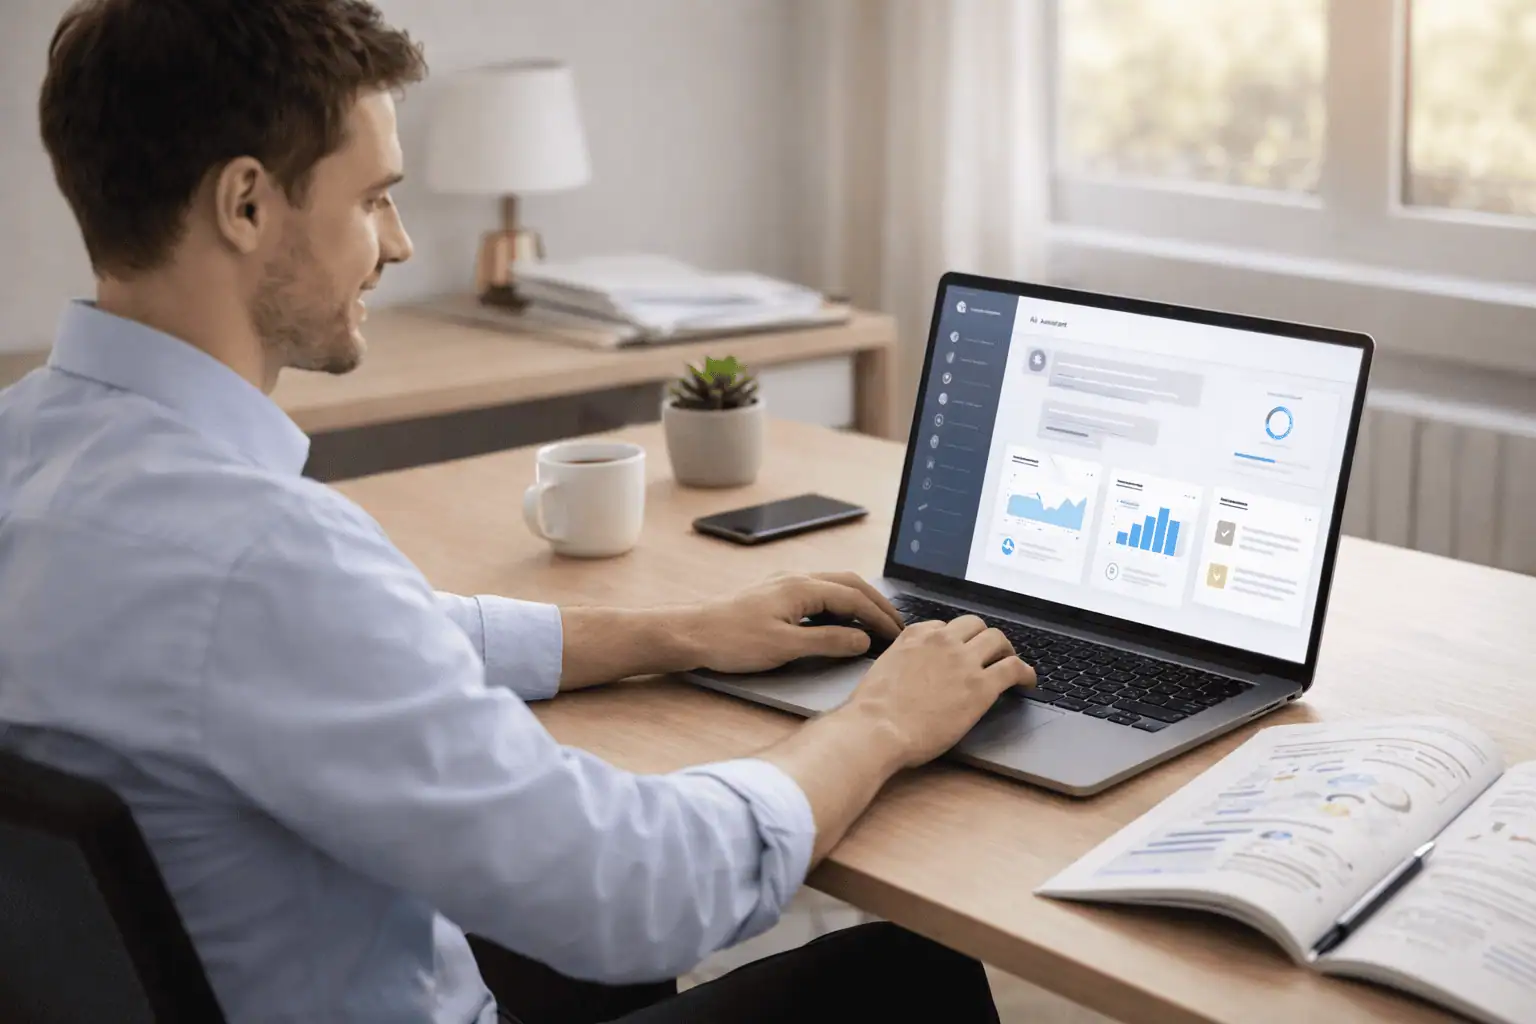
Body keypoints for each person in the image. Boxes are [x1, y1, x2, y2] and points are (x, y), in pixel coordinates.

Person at [0, 2, 1034, 1022]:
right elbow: (642, 893)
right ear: (246, 205)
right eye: (373, 200)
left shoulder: (29, 453)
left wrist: (676, 632)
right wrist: (883, 720)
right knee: (907, 974)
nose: (399, 244)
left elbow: (352, 647)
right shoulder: (262, 559)